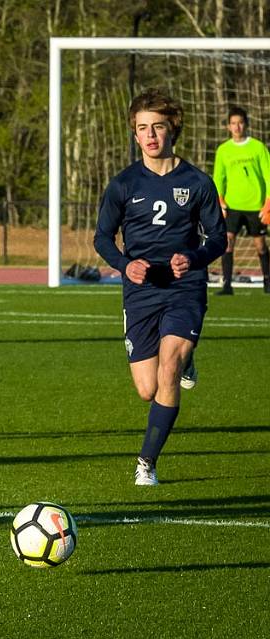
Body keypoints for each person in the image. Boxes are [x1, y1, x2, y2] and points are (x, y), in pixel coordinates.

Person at [94, 89, 226, 486]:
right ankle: (186, 359)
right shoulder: (123, 184)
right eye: (141, 129)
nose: (150, 135)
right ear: (135, 135)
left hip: (184, 287)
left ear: (173, 129)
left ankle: (146, 463)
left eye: (157, 127)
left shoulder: (197, 182)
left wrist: (196, 258)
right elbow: (102, 237)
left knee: (168, 368)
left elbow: (218, 238)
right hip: (140, 292)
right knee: (148, 389)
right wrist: (123, 264)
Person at [211, 105, 270, 295]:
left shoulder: (258, 147)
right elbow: (218, 178)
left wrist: (267, 203)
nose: (237, 127)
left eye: (240, 123)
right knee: (227, 243)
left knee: (260, 245)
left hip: (256, 206)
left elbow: (268, 176)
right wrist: (220, 201)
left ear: (246, 125)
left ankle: (267, 283)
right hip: (232, 207)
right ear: (228, 126)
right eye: (233, 124)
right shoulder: (223, 150)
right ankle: (227, 285)